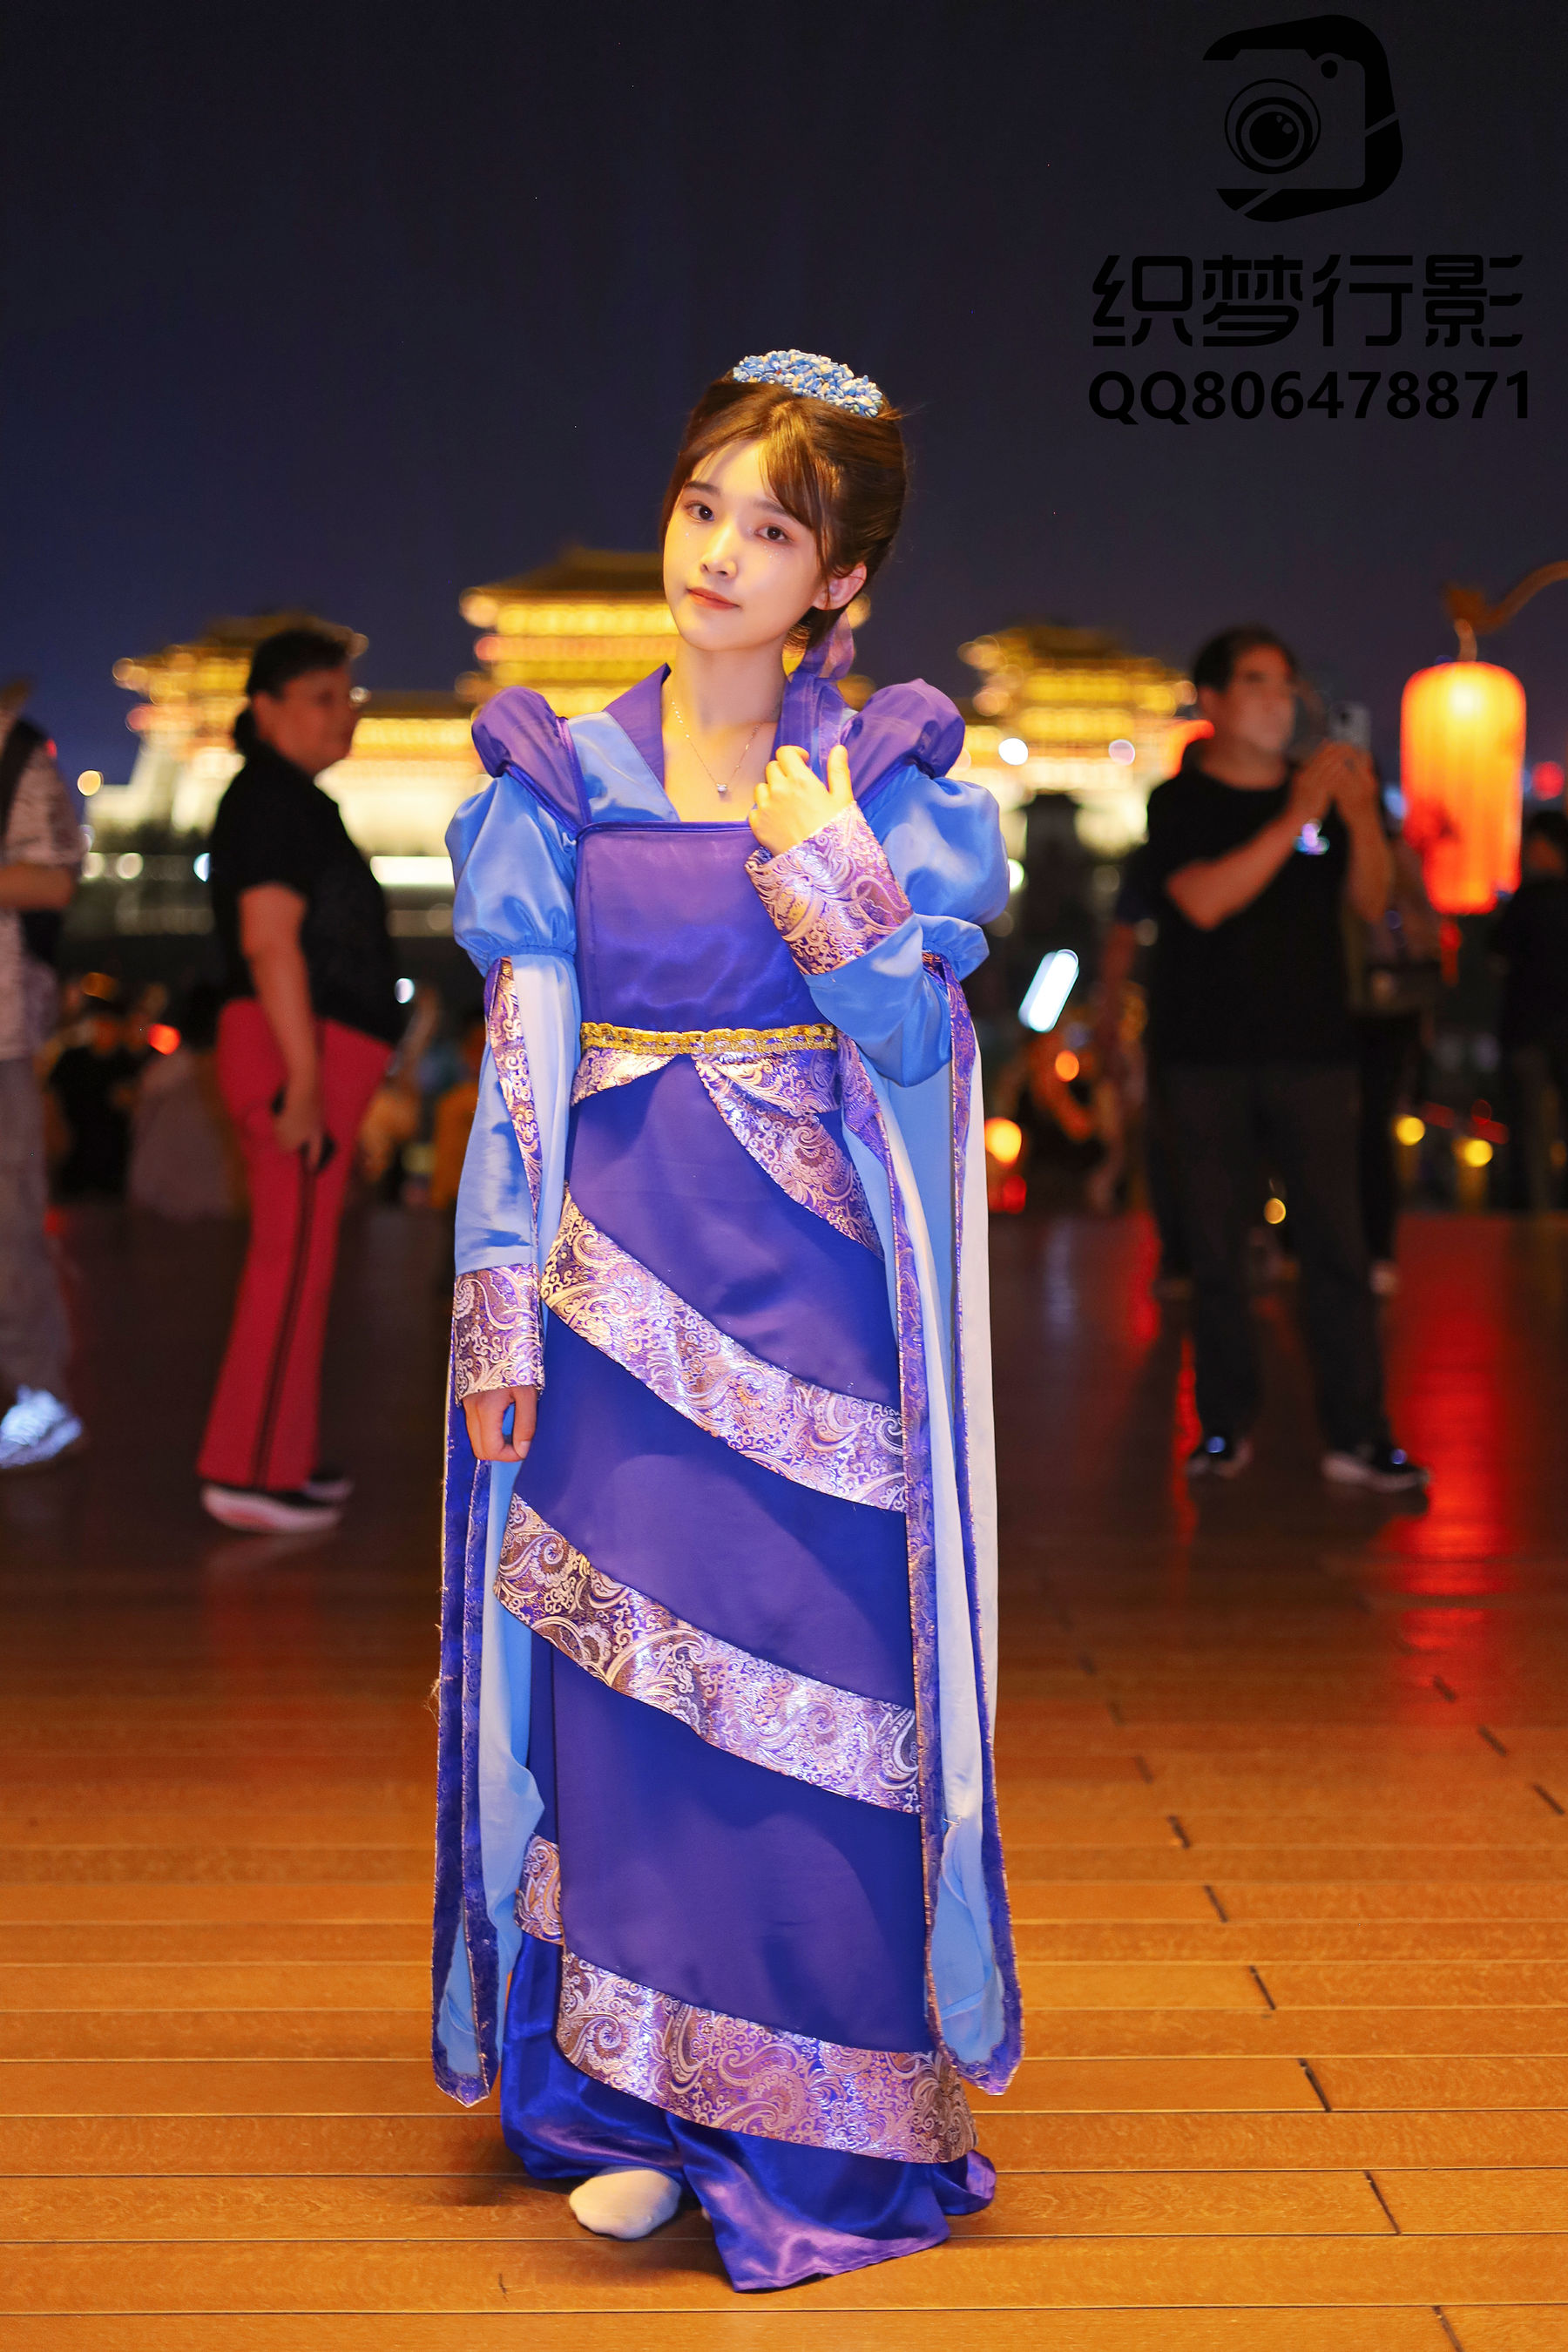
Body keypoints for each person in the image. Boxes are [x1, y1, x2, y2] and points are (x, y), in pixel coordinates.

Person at [433, 351, 1019, 2292]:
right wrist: (499, 1305)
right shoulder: (559, 776)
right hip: (606, 1297)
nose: (720, 552)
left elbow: (923, 1046)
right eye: (704, 506)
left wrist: (833, 876)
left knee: (817, 1698)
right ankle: (639, 2112)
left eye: (774, 529)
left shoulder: (891, 781)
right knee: (626, 1696)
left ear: (840, 582)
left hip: (813, 1303)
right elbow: (521, 1055)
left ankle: (815, 2125)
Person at [1142, 626, 1428, 1491]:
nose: (1281, 700)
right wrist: (1296, 816)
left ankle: (1359, 1434)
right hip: (1206, 1058)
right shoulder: (1179, 801)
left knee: (1338, 1249)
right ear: (1214, 702)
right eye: (1258, 682)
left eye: (1288, 683)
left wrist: (1359, 815)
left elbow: (1370, 903)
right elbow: (1202, 900)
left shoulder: (1319, 797)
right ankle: (1223, 1427)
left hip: (1315, 1054)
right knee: (1218, 1255)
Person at [197, 627, 401, 1534]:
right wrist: (307, 1081)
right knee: (290, 1260)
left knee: (305, 1258)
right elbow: (269, 943)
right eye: (322, 696)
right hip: (295, 1047)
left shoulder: (286, 799)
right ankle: (245, 1471)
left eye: (347, 696)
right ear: (266, 708)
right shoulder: (273, 801)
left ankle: (279, 1455)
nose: (342, 713)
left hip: (306, 1046)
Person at [0, 691, 85, 1472]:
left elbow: (54, 880)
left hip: (2, 1031)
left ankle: (38, 1396)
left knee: (10, 1226)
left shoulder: (17, 751)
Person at [1350, 818, 1441, 1284]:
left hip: (1375, 1008)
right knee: (1368, 1129)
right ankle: (1374, 1247)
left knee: (1366, 1129)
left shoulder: (1372, 853)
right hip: (1384, 1007)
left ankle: (1373, 1246)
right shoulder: (1397, 854)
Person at [1492, 808, 1568, 1211]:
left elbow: (1497, 953)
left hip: (1528, 1028)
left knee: (1530, 1132)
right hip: (1549, 1027)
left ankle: (1535, 1215)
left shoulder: (1528, 899)